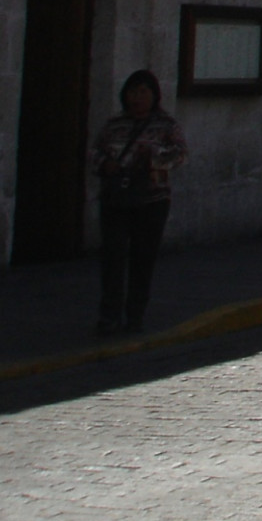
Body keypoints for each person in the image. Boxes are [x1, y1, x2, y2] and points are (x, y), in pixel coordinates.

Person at [90, 69, 187, 336]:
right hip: (116, 199)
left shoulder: (166, 125)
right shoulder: (114, 125)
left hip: (151, 199)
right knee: (113, 256)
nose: (138, 98)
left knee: (143, 259)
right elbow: (94, 152)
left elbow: (179, 155)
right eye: (133, 92)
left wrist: (153, 155)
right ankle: (109, 314)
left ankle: (135, 314)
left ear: (154, 95)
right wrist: (105, 164)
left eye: (144, 92)